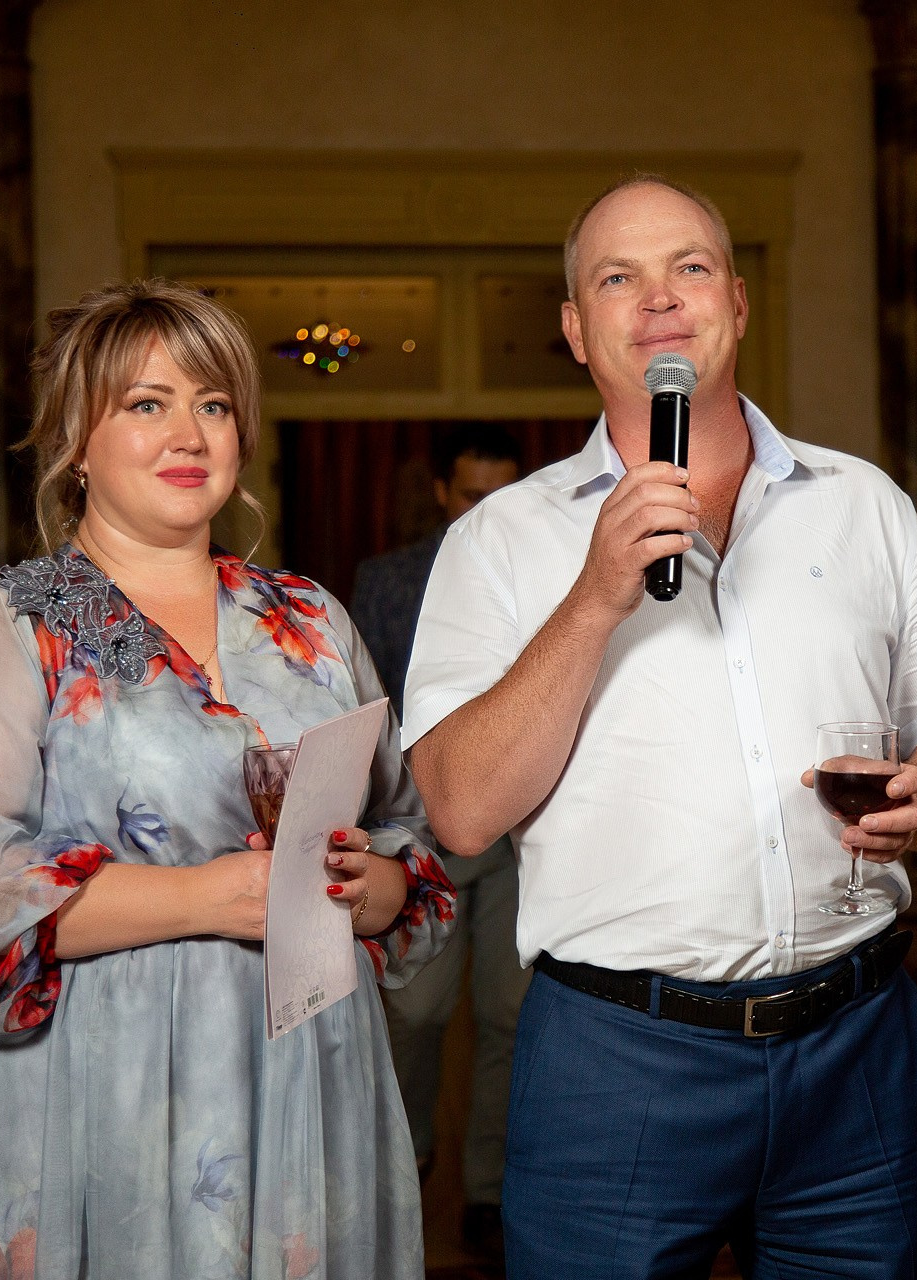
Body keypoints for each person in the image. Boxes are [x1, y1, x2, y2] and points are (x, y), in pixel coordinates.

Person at [401, 174, 917, 1279]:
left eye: (689, 266)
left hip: (859, 1052)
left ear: (735, 298)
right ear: (576, 329)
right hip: (617, 1065)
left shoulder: (863, 503)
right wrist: (594, 598)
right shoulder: (499, 540)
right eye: (617, 277)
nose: (660, 299)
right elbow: (462, 808)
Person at [0, 279, 456, 1278]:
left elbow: (407, 835)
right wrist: (204, 896)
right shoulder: (17, 623)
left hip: (308, 1073)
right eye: (147, 403)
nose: (189, 433)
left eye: (214, 404)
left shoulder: (310, 619)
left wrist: (375, 888)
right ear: (76, 440)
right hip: (96, 1091)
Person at [350, 423, 527, 1257]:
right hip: (421, 833)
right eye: (471, 496)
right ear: (441, 494)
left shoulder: (553, 570)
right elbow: (366, 717)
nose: (486, 511)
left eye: (502, 495)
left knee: (510, 1015)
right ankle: (409, 1157)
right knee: (417, 1011)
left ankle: (489, 1193)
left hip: (522, 832)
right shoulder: (386, 582)